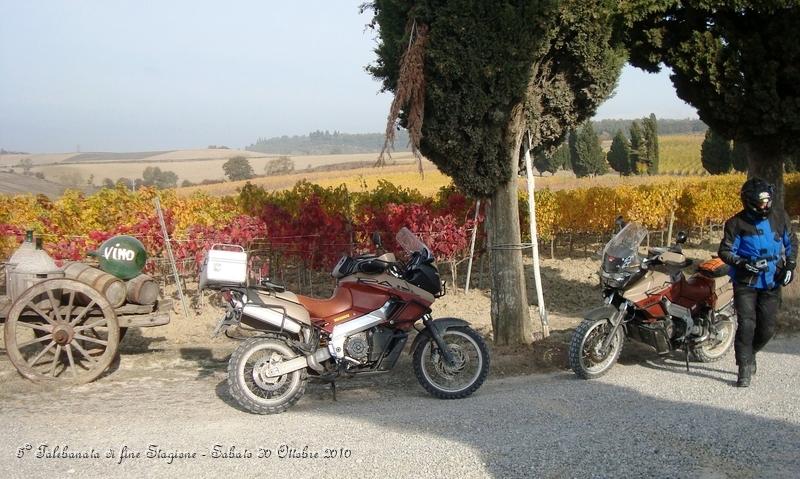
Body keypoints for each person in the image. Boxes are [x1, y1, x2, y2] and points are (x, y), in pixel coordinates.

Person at [718, 177, 797, 387]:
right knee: (747, 324)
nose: (766, 205)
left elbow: (791, 243)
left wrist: (790, 266)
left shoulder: (780, 218)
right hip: (746, 282)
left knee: (767, 327)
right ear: (750, 202)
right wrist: (743, 263)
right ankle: (744, 367)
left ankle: (751, 352)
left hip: (772, 280)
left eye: (768, 201)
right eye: (762, 202)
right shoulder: (735, 224)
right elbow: (725, 251)